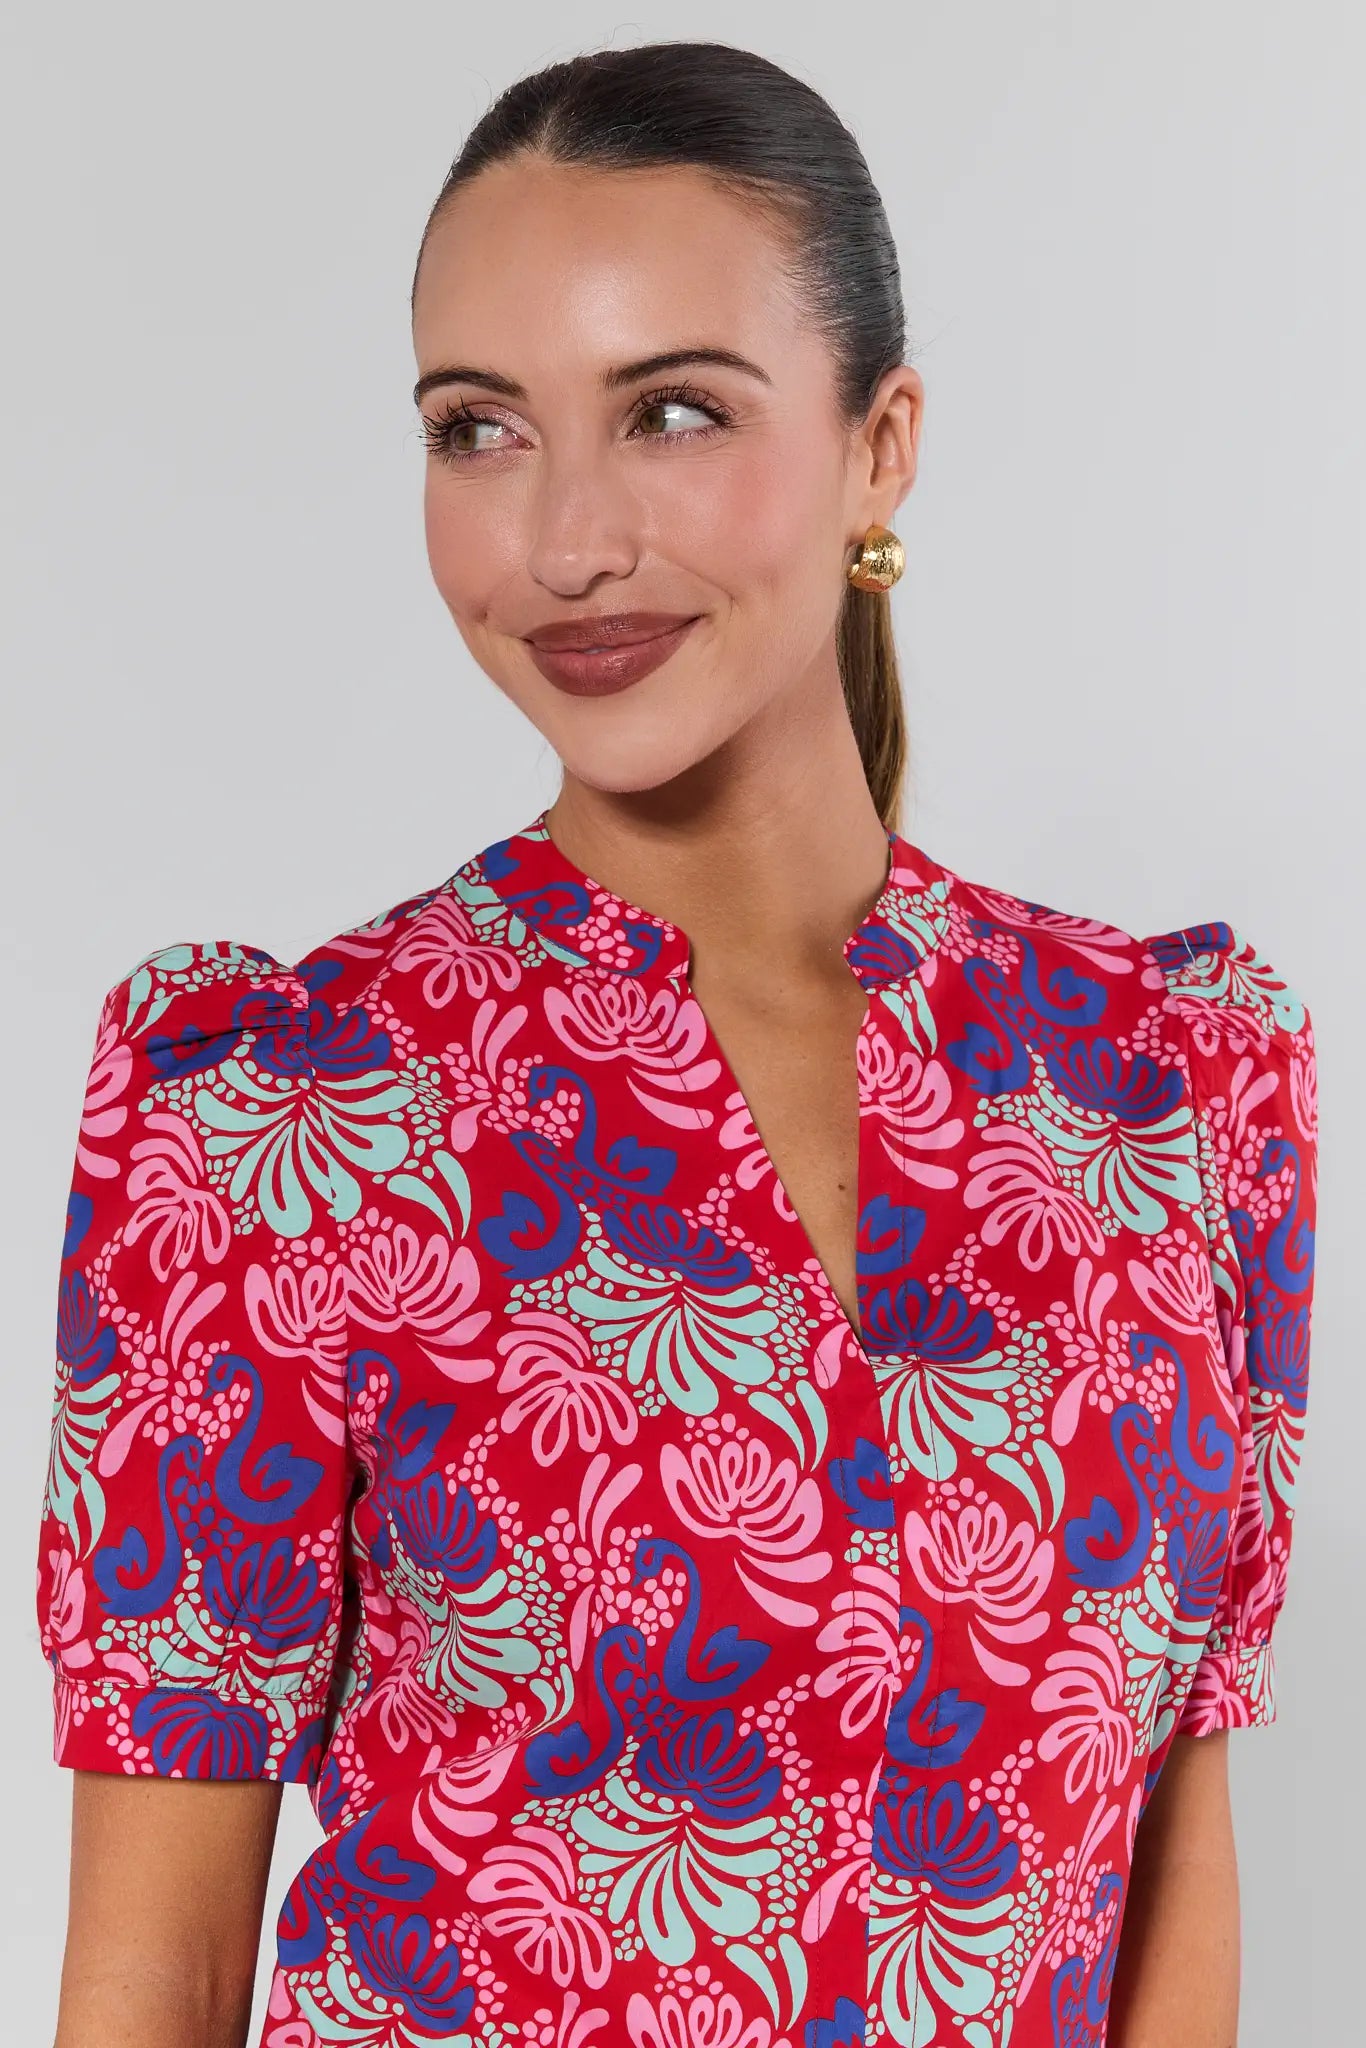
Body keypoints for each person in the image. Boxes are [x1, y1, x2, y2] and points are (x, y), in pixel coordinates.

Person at [36, 38, 1318, 2048]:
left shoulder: (1158, 1084)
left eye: (671, 413)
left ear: (880, 445)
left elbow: (1163, 1863)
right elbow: (155, 1968)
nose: (558, 541)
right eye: (477, 429)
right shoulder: (281, 1107)